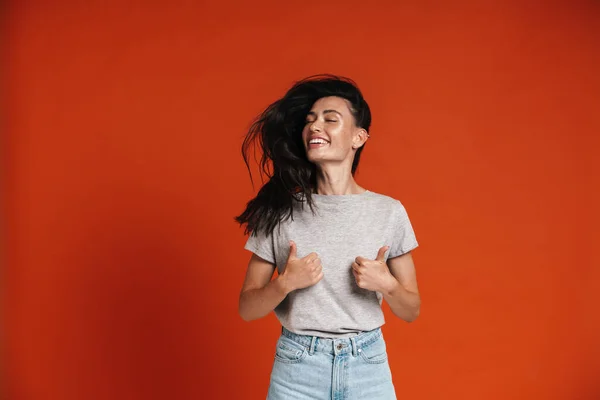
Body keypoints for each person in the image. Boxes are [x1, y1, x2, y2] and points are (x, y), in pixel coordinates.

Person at [235, 74, 420, 400]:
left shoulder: (389, 212)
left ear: (358, 137)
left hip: (368, 365)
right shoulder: (279, 211)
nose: (315, 126)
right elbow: (247, 308)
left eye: (330, 119)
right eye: (310, 121)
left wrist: (387, 284)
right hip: (297, 368)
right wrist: (284, 284)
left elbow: (411, 309)